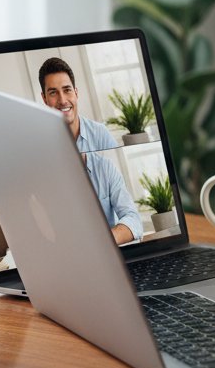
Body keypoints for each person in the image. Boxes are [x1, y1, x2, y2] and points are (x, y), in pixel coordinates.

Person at [38, 57, 143, 244]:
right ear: (44, 98)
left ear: (76, 93)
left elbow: (134, 220)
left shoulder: (101, 139)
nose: (62, 100)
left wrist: (102, 239)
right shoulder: (40, 154)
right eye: (53, 93)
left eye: (67, 90)